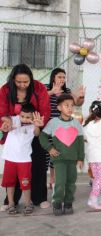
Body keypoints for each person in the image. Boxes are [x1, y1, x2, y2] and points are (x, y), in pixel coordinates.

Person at [0, 64, 50, 210]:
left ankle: (39, 198)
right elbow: (2, 111)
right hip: (15, 133)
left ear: (31, 79)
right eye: (18, 82)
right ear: (12, 80)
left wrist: (40, 123)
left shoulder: (39, 88)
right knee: (14, 165)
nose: (22, 85)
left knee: (39, 164)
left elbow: (45, 110)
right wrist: (6, 122)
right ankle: (11, 201)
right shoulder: (5, 90)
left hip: (34, 131)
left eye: (26, 82)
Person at [39, 94, 84, 216]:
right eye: (66, 105)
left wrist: (80, 158)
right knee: (60, 182)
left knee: (71, 183)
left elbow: (80, 142)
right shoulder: (53, 122)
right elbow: (42, 136)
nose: (70, 108)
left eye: (72, 106)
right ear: (59, 107)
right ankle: (57, 203)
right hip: (59, 160)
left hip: (72, 160)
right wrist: (50, 148)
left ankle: (68, 203)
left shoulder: (76, 123)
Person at [46, 68, 85, 189]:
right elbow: (39, 97)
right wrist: (52, 92)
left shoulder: (66, 91)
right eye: (59, 77)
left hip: (61, 128)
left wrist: (81, 96)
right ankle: (51, 177)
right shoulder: (45, 88)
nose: (62, 79)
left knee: (57, 153)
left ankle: (54, 179)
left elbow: (77, 103)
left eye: (64, 77)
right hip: (48, 126)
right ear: (53, 77)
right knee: (48, 153)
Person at [1, 104, 43, 215]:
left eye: (28, 117)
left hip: (24, 160)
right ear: (19, 114)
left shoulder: (33, 125)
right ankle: (11, 203)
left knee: (26, 183)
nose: (24, 119)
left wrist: (37, 126)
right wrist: (6, 125)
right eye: (22, 116)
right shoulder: (14, 119)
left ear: (33, 117)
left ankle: (28, 203)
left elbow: (37, 133)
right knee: (10, 183)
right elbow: (5, 120)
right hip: (10, 158)